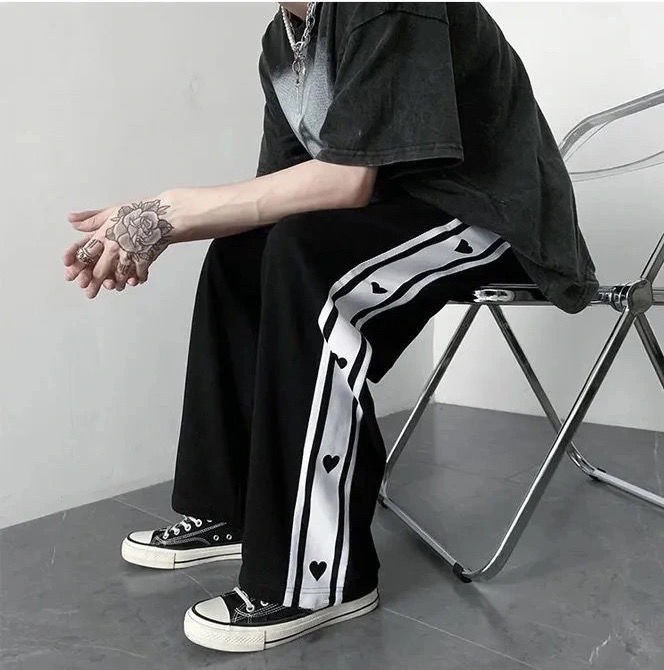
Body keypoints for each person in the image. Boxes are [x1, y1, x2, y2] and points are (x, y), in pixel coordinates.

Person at [62, 1, 599, 654]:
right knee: (243, 255)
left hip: (489, 216)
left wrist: (168, 211)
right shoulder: (279, 42)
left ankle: (321, 577)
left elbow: (346, 182)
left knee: (306, 259)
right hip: (399, 215)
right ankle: (238, 512)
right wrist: (149, 230)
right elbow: (279, 197)